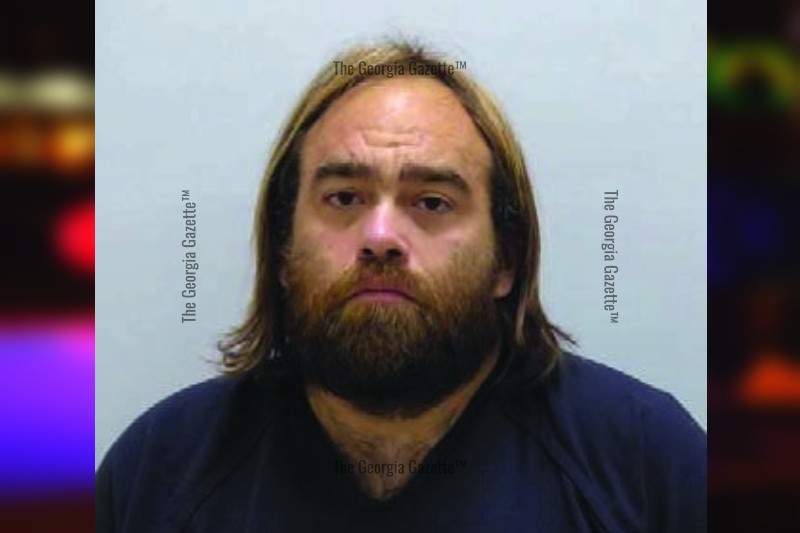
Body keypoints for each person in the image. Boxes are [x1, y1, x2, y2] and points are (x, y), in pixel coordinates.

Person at [96, 40, 706, 532]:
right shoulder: (159, 473)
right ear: (281, 247)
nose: (381, 236)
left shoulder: (646, 465)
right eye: (344, 198)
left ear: (507, 260)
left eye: (432, 202)